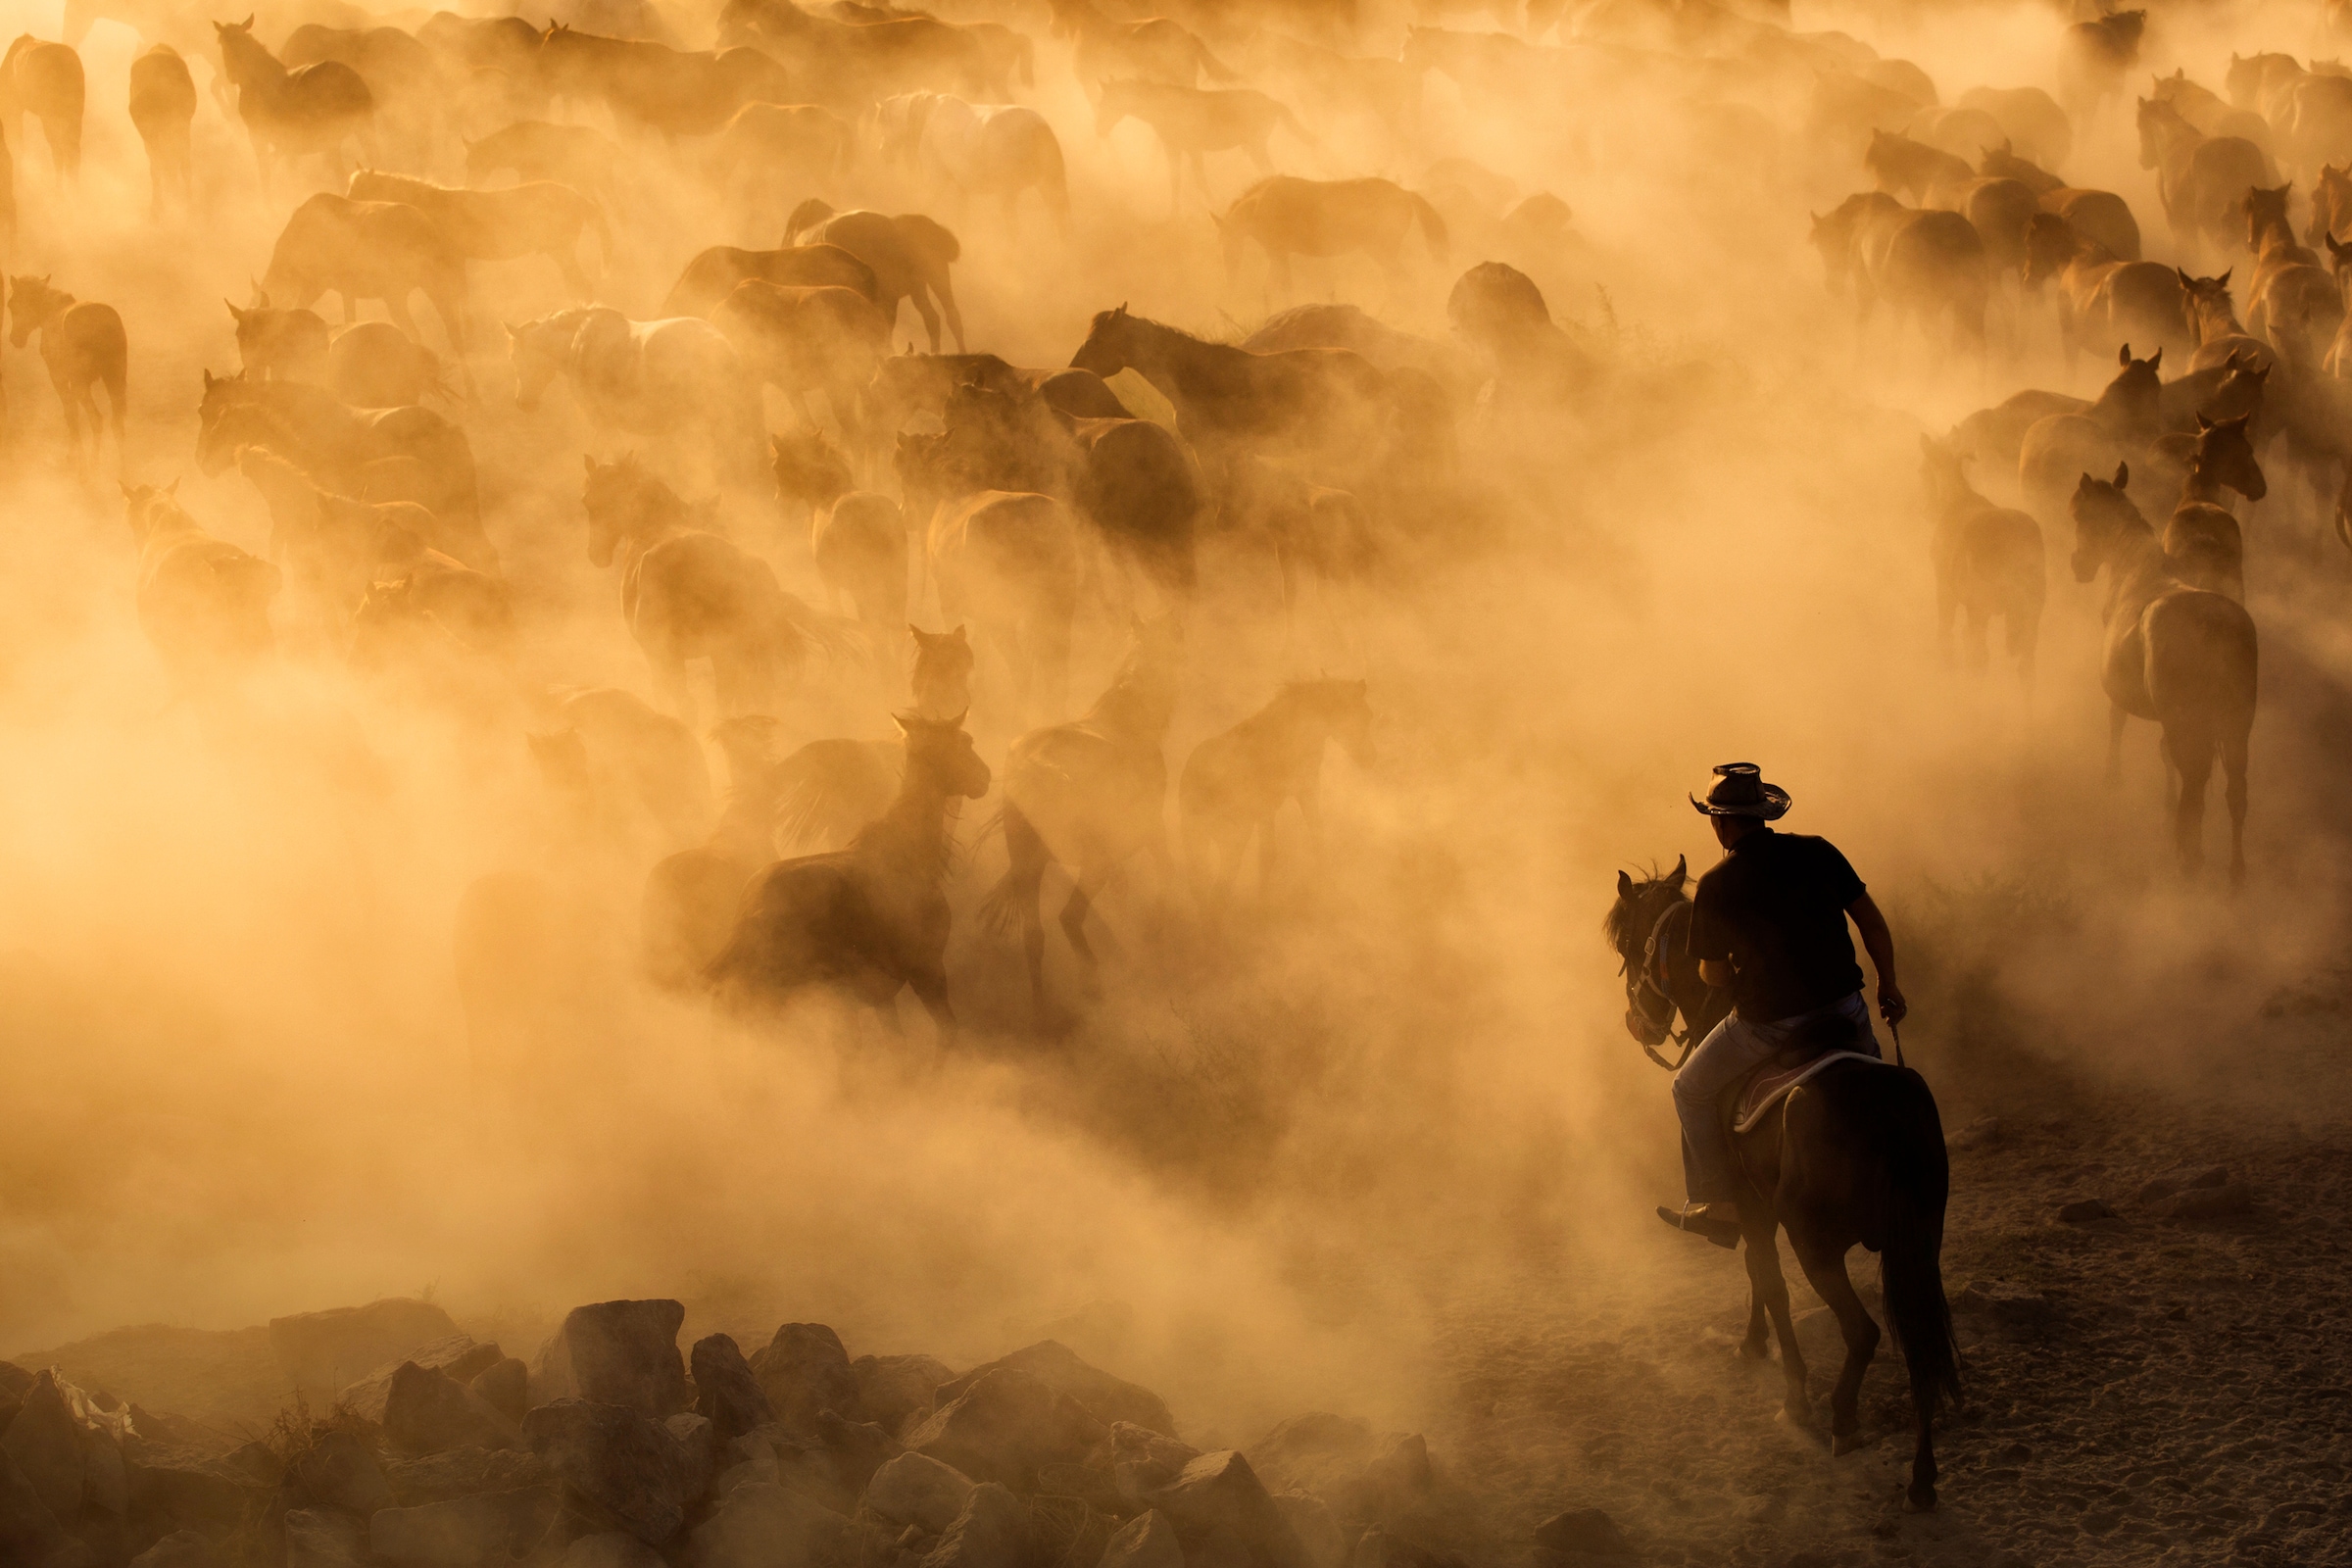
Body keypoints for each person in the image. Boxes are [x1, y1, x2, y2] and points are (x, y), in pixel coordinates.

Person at [1657, 762, 1907, 1247]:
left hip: (1768, 1025)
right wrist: (1887, 986)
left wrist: (1726, 971)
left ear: (1722, 823)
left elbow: (1711, 972)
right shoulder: (1819, 851)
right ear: (1763, 813)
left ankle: (1721, 1203)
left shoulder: (1716, 883)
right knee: (1882, 1092)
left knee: (1688, 1090)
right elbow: (1872, 925)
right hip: (1846, 1011)